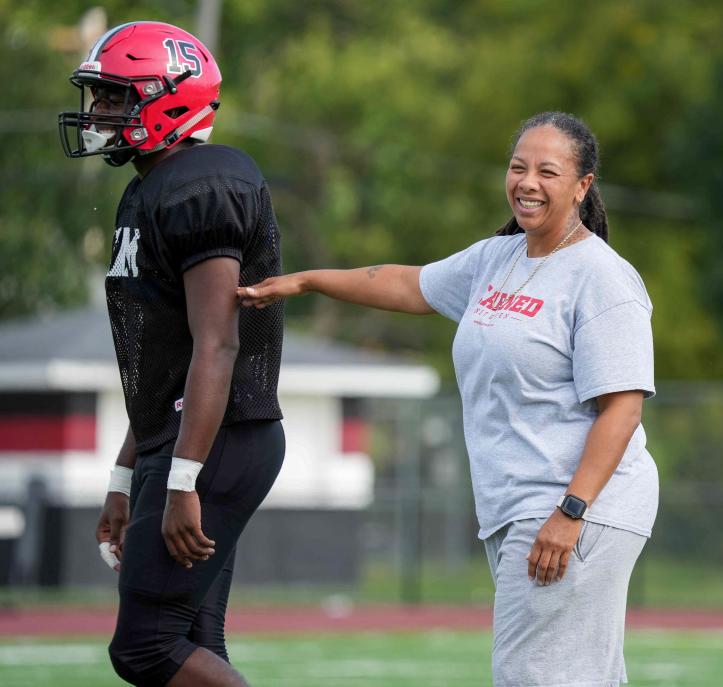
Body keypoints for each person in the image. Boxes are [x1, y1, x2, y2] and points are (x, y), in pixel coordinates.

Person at [239, 111, 658, 686]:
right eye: (517, 167)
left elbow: (623, 408)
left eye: (547, 171)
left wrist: (571, 512)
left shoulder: (602, 278)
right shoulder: (499, 257)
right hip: (522, 507)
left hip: (575, 508)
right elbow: (407, 284)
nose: (527, 182)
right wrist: (305, 281)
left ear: (583, 186)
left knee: (532, 677)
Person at [60, 21, 285, 687]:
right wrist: (126, 475)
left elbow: (217, 343)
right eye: (99, 97)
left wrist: (182, 478)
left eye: (114, 97)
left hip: (218, 441)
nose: (98, 112)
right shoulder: (149, 186)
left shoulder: (203, 182)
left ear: (167, 99)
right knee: (191, 638)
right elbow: (168, 362)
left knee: (147, 647)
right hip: (189, 435)